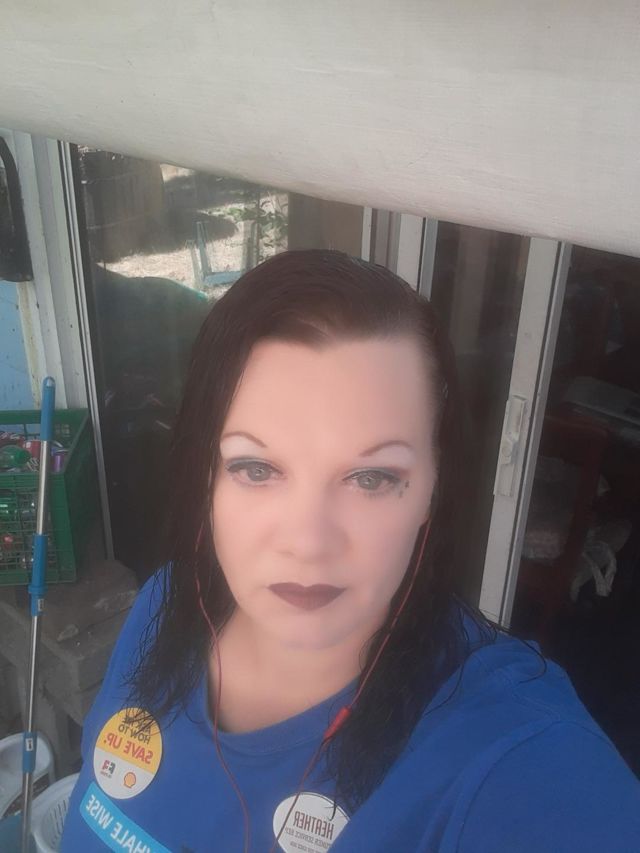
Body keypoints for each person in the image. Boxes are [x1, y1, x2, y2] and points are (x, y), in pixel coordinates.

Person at [61, 250, 640, 852]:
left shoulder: (512, 760)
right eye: (256, 468)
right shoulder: (165, 607)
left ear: (434, 490)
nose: (308, 543)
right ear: (206, 475)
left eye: (370, 478)